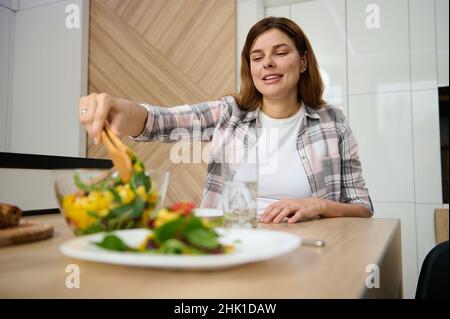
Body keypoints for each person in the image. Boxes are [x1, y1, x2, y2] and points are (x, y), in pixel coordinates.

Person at [79, 17, 373, 224]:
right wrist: (116, 108)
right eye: (257, 57)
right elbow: (159, 122)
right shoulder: (230, 114)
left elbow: (362, 208)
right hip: (233, 241)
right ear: (251, 68)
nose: (267, 63)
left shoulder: (332, 122)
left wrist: (317, 206)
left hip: (308, 245)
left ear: (304, 61)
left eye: (280, 53)